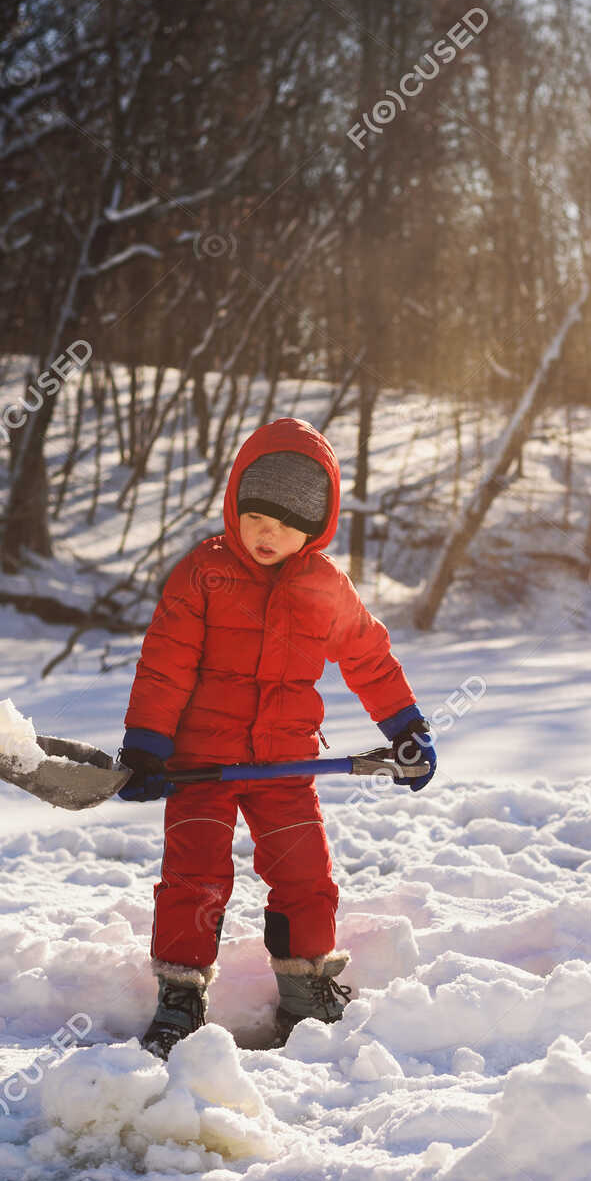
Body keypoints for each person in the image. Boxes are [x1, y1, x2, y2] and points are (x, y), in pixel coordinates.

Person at [116, 416, 435, 1057]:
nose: (269, 534)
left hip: (286, 763)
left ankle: (305, 989)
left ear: (316, 528)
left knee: (306, 877)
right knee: (194, 880)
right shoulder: (203, 574)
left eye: (288, 524)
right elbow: (166, 662)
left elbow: (369, 657)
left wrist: (406, 726)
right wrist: (148, 744)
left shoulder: (325, 586)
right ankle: (180, 994)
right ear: (236, 505)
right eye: (258, 517)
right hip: (198, 764)